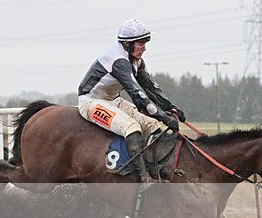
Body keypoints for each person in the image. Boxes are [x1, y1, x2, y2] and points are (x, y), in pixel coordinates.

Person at [77, 18, 185, 183]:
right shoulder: (119, 61)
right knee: (132, 127)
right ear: (127, 44)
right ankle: (144, 177)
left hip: (113, 100)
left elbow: (150, 87)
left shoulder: (135, 59)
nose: (144, 48)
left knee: (152, 125)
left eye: (145, 43)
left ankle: (155, 168)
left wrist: (171, 108)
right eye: (141, 43)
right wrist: (164, 117)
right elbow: (138, 95)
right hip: (91, 102)